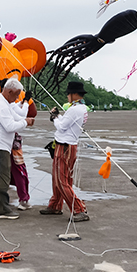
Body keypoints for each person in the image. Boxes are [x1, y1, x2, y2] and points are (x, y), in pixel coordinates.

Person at [0, 78, 33, 220]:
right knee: (1, 179)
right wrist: (25, 122)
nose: (17, 98)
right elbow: (10, 126)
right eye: (16, 95)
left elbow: (17, 117)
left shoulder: (0, 102)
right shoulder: (2, 105)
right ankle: (1, 210)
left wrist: (24, 120)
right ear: (9, 91)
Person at [41, 81, 89, 221]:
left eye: (68, 93)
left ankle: (79, 210)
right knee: (60, 178)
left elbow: (61, 127)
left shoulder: (75, 109)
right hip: (68, 146)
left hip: (65, 147)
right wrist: (57, 116)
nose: (67, 96)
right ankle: (55, 205)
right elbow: (67, 123)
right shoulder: (80, 108)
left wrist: (55, 118)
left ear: (74, 94)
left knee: (61, 180)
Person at [10, 133, 31, 210]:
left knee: (2, 175)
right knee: (20, 174)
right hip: (12, 148)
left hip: (3, 146)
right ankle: (24, 199)